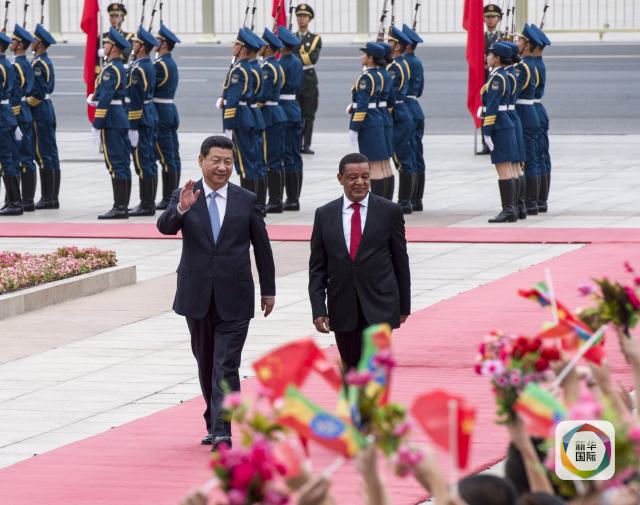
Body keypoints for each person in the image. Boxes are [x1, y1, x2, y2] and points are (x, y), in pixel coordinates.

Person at [157, 135, 276, 451]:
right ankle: (214, 421)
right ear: (201, 161)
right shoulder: (185, 194)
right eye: (216, 161)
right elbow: (165, 227)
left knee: (226, 365)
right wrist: (181, 208)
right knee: (206, 362)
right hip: (196, 294)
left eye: (228, 162)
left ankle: (223, 431)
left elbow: (262, 246)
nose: (222, 167)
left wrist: (268, 289)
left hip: (235, 295)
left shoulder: (246, 199)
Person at [308, 152, 411, 370]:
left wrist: (404, 306)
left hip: (380, 305)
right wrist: (318, 309)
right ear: (340, 179)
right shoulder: (325, 214)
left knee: (374, 370)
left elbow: (401, 261)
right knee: (351, 368)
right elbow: (317, 267)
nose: (360, 182)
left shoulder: (389, 211)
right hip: (342, 306)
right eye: (353, 177)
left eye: (365, 177)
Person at [90, 28, 132, 219]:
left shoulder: (110, 70)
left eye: (106, 43)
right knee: (122, 163)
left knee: (116, 164)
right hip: (119, 117)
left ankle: (120, 207)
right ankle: (122, 206)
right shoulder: (118, 67)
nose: (104, 46)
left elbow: (107, 97)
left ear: (113, 48)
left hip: (112, 120)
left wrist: (97, 124)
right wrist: (95, 97)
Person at [482, 42, 518, 224]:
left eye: (490, 55)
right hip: (505, 123)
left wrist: (486, 130)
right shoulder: (502, 75)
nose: (487, 57)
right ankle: (512, 208)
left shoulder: (497, 78)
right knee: (509, 168)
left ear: (497, 59)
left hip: (500, 125)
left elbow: (493, 106)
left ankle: (508, 209)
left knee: (503, 168)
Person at [218, 28, 257, 196]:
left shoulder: (239, 70)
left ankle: (249, 200)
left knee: (243, 162)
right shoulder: (245, 67)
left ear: (243, 49)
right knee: (247, 161)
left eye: (236, 45)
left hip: (238, 118)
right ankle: (252, 199)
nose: (233, 47)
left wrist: (227, 124)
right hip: (245, 116)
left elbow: (233, 98)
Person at [347, 42, 387, 198]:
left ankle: (378, 203)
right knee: (378, 166)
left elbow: (363, 105)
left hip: (368, 124)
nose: (361, 56)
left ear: (370, 58)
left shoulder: (366, 78)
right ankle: (383, 202)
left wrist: (354, 127)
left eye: (364, 54)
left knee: (374, 167)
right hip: (375, 119)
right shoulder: (377, 75)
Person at [127, 27, 160, 217]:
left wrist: (132, 126)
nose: (132, 45)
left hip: (140, 118)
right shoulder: (148, 64)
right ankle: (148, 203)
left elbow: (136, 99)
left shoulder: (138, 69)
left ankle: (146, 204)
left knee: (142, 161)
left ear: (141, 46)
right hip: (149, 114)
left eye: (135, 42)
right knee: (149, 160)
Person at [28, 24, 61, 210]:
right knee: (51, 154)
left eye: (34, 40)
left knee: (43, 154)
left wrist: (24, 106)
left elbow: (38, 94)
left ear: (40, 44)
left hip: (39, 111)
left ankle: (48, 198)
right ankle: (52, 197)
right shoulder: (45, 61)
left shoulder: (38, 64)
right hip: (47, 109)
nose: (31, 42)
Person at [387, 26, 416, 214]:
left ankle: (404, 202)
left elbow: (390, 91)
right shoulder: (401, 63)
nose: (387, 44)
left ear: (397, 46)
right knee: (405, 158)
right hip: (403, 111)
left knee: (401, 159)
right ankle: (406, 201)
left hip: (397, 113)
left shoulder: (394, 67)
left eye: (390, 42)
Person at [153, 23, 182, 211]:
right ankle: (172, 195)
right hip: (169, 110)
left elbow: (148, 87)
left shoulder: (159, 65)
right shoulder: (169, 62)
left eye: (158, 40)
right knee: (172, 155)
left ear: (163, 44)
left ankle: (168, 197)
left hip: (160, 112)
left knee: (166, 157)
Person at [515, 25, 543, 216]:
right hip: (532, 110)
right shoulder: (533, 63)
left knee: (528, 159)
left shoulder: (524, 66)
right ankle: (537, 201)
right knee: (535, 158)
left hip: (525, 112)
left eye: (520, 41)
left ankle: (531, 202)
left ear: (527, 45)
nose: (517, 43)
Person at [260, 28, 287, 214]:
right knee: (274, 159)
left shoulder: (268, 68)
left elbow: (264, 94)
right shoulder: (274, 65)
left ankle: (275, 200)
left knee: (271, 159)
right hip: (275, 113)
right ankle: (276, 199)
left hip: (269, 114)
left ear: (268, 48)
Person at [9, 25, 37, 212]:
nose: (11, 43)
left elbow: (15, 93)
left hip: (18, 114)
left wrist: (14, 119)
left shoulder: (16, 66)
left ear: (20, 45)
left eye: (14, 40)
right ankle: (27, 200)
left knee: (22, 159)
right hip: (25, 111)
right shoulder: (26, 63)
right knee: (27, 158)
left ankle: (25, 200)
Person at [277, 27, 304, 211]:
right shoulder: (296, 61)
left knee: (286, 155)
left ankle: (292, 199)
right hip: (294, 108)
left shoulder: (281, 64)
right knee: (294, 155)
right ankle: (294, 198)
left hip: (283, 109)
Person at [401, 24, 426, 212]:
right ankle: (417, 199)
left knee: (407, 154)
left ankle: (407, 199)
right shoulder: (417, 62)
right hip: (416, 107)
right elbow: (420, 89)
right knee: (417, 153)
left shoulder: (403, 63)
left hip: (406, 108)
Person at [503, 41, 527, 220]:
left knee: (508, 165)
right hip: (513, 116)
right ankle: (520, 206)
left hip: (506, 117)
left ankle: (511, 208)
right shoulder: (514, 72)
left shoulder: (504, 76)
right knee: (517, 166)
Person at [294, 3, 321, 155]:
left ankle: (306, 144)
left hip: (309, 81)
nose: (301, 19)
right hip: (295, 80)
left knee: (309, 115)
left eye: (304, 16)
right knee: (296, 115)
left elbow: (312, 59)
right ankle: (296, 143)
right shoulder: (291, 37)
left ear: (309, 19)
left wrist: (297, 54)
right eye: (299, 16)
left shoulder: (315, 39)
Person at [529, 24, 552, 214]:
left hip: (529, 110)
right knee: (541, 156)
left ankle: (533, 201)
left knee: (532, 157)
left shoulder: (528, 66)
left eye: (522, 41)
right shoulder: (538, 63)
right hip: (538, 110)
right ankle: (541, 200)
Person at [246, 31, 268, 216]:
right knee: (257, 162)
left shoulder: (250, 69)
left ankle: (253, 204)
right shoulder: (257, 67)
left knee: (249, 163)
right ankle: (259, 203)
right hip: (255, 115)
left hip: (248, 116)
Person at [0, 31, 21, 216]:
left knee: (7, 160)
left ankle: (14, 203)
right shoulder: (7, 64)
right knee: (9, 159)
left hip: (2, 117)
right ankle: (12, 201)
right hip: (6, 115)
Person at [480, 4, 504, 155]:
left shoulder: (503, 37)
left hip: (498, 78)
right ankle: (485, 142)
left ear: (499, 19)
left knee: (497, 108)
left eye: (493, 17)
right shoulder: (479, 38)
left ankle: (498, 139)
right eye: (487, 17)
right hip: (484, 77)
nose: (490, 20)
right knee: (484, 108)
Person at [373, 42, 395, 201]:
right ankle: (387, 202)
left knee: (375, 165)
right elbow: (391, 101)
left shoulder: (373, 76)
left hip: (373, 120)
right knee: (385, 164)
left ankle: (379, 205)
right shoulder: (386, 75)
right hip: (385, 117)